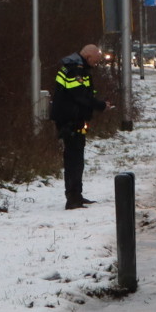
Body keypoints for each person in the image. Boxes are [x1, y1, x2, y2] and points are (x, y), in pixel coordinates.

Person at [49, 44, 109, 210]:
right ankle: (73, 198)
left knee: (76, 158)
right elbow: (80, 96)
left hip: (73, 118)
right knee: (73, 160)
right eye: (95, 61)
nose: (95, 65)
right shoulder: (75, 70)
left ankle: (77, 195)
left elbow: (84, 94)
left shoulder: (76, 67)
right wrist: (101, 105)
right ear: (88, 57)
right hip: (70, 120)